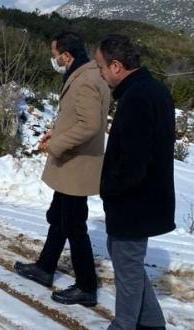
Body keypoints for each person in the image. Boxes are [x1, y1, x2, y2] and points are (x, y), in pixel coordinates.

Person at [14, 31, 110, 306]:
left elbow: (90, 125)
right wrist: (55, 133)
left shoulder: (87, 80)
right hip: (71, 161)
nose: (53, 60)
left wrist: (57, 143)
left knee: (73, 225)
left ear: (66, 55)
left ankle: (87, 286)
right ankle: (45, 268)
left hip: (77, 164)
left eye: (55, 55)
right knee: (59, 216)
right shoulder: (83, 73)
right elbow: (77, 118)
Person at [95, 34, 175, 330]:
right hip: (143, 200)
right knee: (129, 265)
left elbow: (133, 162)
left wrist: (109, 189)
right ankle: (153, 326)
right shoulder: (149, 89)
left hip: (135, 202)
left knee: (127, 271)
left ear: (116, 66)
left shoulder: (138, 97)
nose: (101, 75)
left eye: (101, 67)